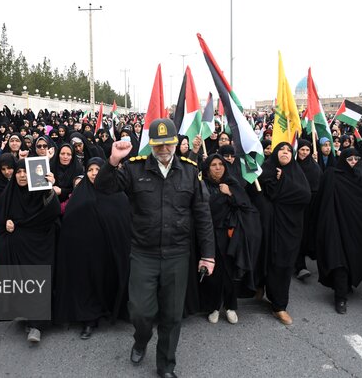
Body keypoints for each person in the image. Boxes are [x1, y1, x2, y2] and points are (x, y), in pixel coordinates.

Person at [94, 118, 215, 378]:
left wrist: (208, 255)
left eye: (167, 143)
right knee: (140, 311)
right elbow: (103, 187)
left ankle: (166, 365)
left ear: (175, 143)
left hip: (177, 254)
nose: (163, 149)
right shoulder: (134, 169)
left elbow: (203, 214)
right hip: (143, 254)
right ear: (151, 145)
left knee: (172, 315)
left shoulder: (190, 171)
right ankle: (141, 339)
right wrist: (113, 160)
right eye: (158, 145)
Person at [54, 157, 131, 339]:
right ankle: (89, 319)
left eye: (98, 169)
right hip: (86, 254)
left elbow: (123, 222)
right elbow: (70, 223)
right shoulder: (80, 194)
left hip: (110, 252)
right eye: (90, 170)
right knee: (87, 284)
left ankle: (116, 310)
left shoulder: (117, 194)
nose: (94, 173)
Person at [0, 159, 59, 342]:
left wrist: (49, 187)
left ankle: (37, 325)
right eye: (19, 172)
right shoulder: (8, 194)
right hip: (19, 248)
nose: (22, 175)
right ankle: (27, 317)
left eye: (26, 172)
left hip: (40, 245)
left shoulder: (41, 192)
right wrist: (6, 224)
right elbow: (0, 222)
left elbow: (52, 213)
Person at [314, 148, 362, 314]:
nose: (353, 163)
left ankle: (345, 286)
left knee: (353, 259)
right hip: (335, 226)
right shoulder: (332, 175)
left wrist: (361, 177)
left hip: (356, 229)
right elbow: (321, 199)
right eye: (349, 159)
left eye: (356, 159)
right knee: (339, 262)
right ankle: (340, 297)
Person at [199, 154, 261, 324]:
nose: (218, 168)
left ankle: (231, 306)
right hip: (210, 235)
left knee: (231, 273)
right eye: (213, 164)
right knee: (214, 274)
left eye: (221, 164)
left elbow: (246, 206)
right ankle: (213, 307)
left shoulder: (232, 183)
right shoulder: (202, 185)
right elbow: (204, 209)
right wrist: (221, 196)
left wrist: (231, 194)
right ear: (207, 167)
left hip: (232, 236)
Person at [254, 142, 311, 325]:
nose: (285, 153)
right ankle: (259, 285)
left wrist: (284, 180)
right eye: (282, 150)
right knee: (264, 257)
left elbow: (304, 196)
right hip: (267, 226)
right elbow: (258, 192)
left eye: (288, 150)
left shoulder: (295, 174)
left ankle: (279, 305)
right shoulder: (265, 171)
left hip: (289, 228)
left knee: (283, 263)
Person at [294, 139, 323, 280]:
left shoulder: (315, 167)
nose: (304, 153)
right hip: (293, 208)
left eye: (307, 150)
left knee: (304, 236)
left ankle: (300, 265)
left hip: (310, 208)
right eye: (302, 150)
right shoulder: (292, 166)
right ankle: (298, 265)